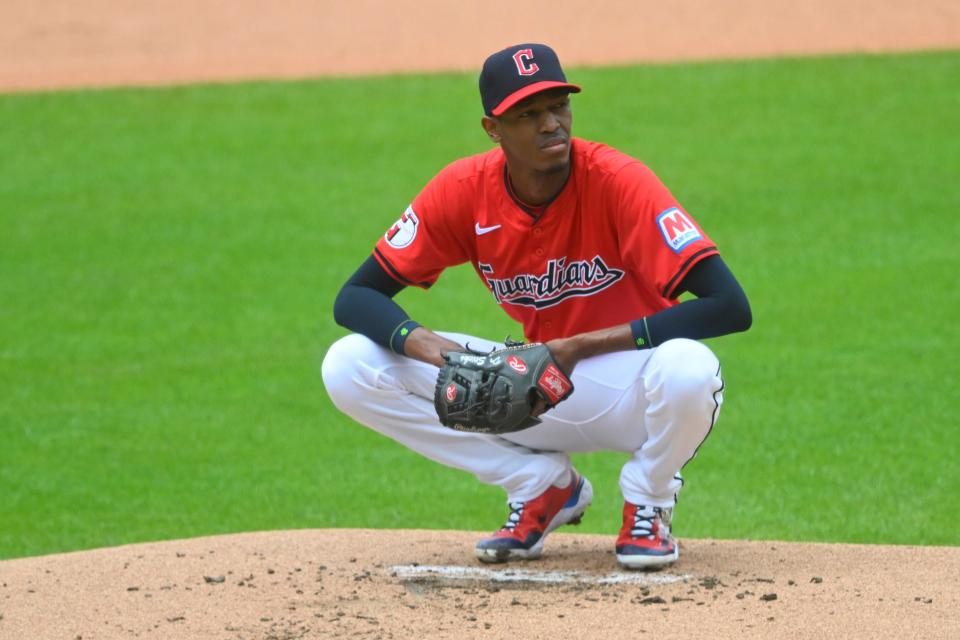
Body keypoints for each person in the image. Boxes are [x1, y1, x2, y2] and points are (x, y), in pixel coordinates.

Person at [321, 43, 751, 569]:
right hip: (534, 393)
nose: (551, 125)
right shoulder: (462, 190)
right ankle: (542, 486)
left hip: (632, 390)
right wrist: (432, 347)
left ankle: (650, 499)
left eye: (558, 107)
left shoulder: (619, 181)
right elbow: (355, 296)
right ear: (493, 128)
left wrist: (580, 346)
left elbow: (729, 305)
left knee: (691, 367)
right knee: (349, 365)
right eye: (529, 115)